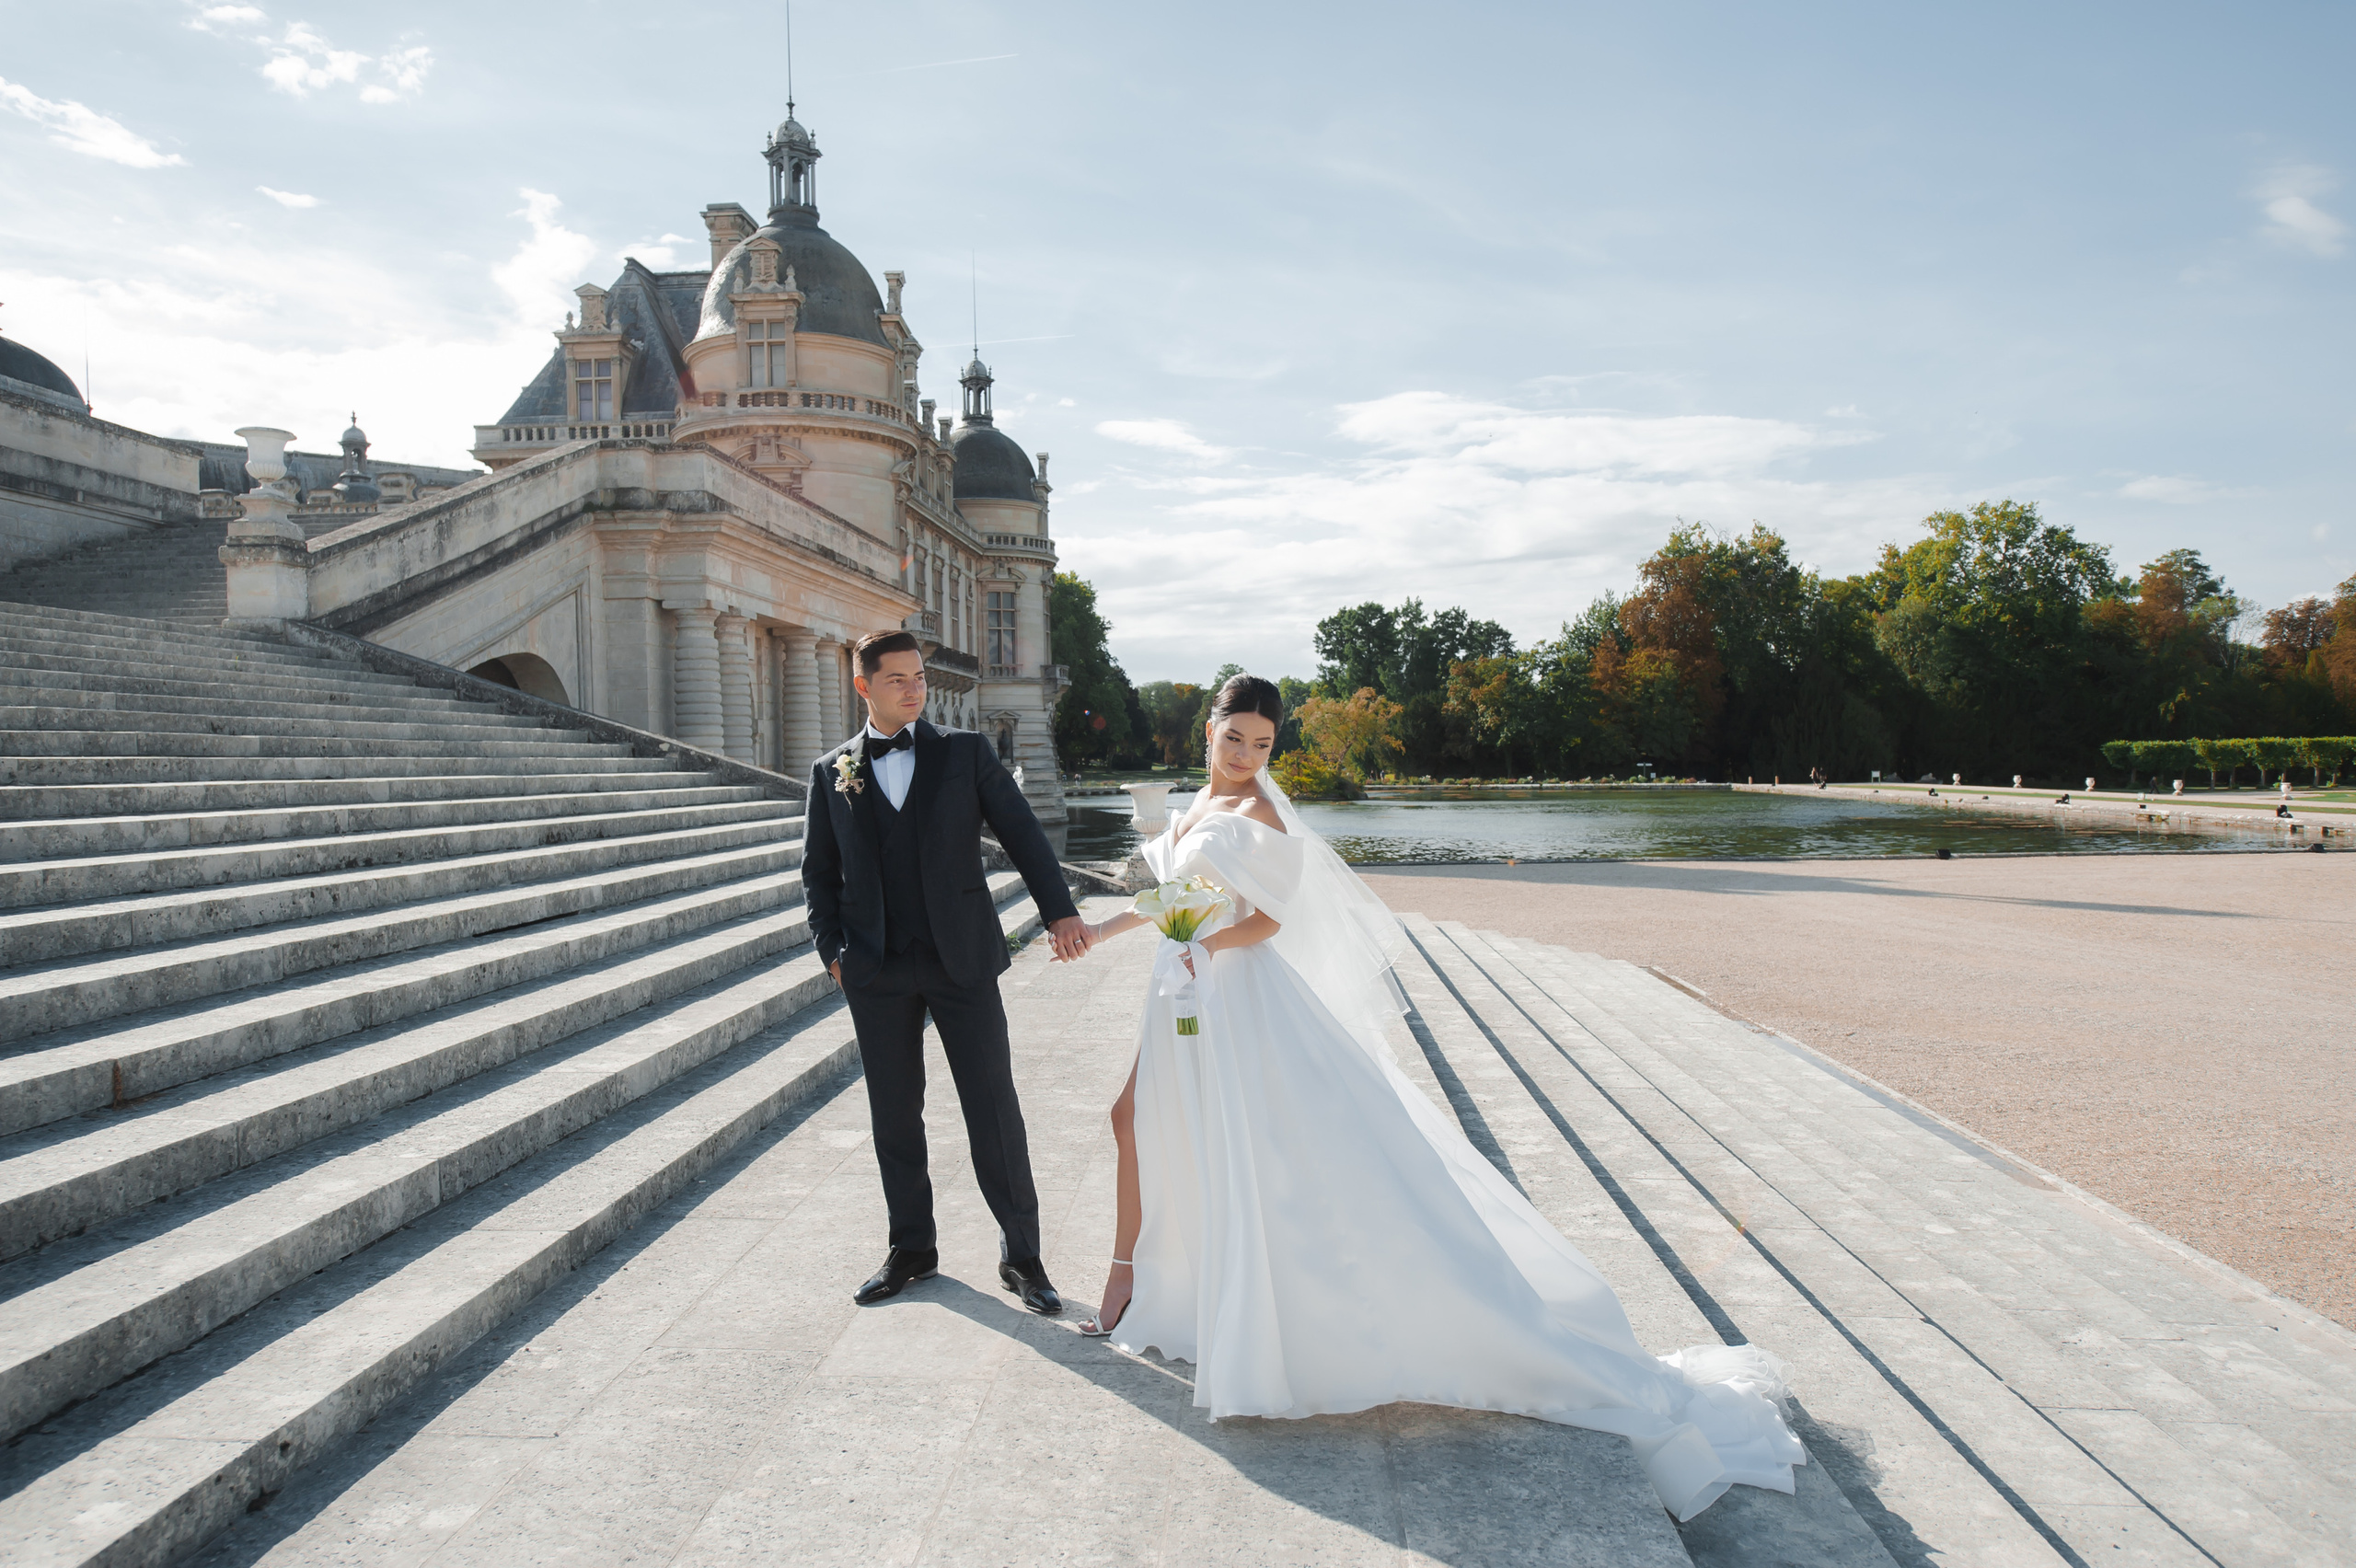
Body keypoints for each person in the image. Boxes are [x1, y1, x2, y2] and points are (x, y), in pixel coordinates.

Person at [1061, 674, 1806, 1521]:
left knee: (1224, 1141)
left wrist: (1206, 944)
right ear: (1209, 730)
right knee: (1138, 1120)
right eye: (1236, 737)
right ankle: (1139, 1278)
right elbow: (1168, 902)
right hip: (1184, 987)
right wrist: (1101, 931)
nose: (1247, 754)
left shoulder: (1266, 817)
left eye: (1263, 744)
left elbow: (1268, 920)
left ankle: (1193, 1298)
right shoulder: (1197, 803)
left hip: (1232, 997)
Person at [801, 629, 1095, 1313]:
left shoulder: (964, 753)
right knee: (894, 1115)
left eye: (918, 675)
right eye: (898, 677)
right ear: (864, 685)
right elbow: (817, 874)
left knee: (993, 1107)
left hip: (961, 958)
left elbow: (1022, 832)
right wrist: (833, 954)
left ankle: (1022, 1255)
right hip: (875, 967)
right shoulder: (832, 771)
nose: (914, 687)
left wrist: (1061, 913)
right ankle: (912, 1248)